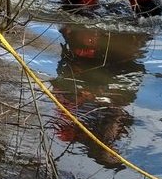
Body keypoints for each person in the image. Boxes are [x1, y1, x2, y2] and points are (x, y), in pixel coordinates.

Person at [49, 23, 150, 169]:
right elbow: (120, 111)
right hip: (102, 86)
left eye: (114, 153)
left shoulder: (68, 134)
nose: (117, 149)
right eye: (117, 153)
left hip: (77, 82)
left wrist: (85, 96)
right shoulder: (117, 133)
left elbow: (62, 101)